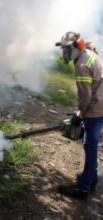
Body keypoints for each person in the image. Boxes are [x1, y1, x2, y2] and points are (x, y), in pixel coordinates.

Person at [55, 31, 103, 199]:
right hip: (100, 103)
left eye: (66, 49)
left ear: (77, 46)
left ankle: (83, 188)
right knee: (91, 145)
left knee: (90, 146)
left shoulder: (81, 65)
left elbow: (85, 96)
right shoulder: (88, 54)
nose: (64, 53)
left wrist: (80, 115)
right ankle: (92, 179)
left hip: (96, 108)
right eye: (63, 49)